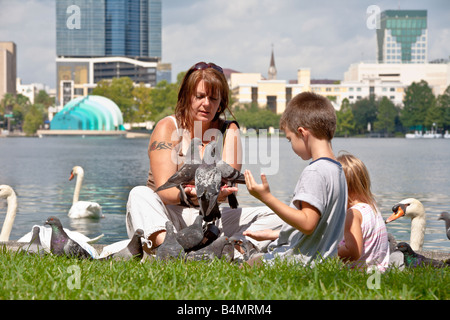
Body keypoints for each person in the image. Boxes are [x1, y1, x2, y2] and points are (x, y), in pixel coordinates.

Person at [126, 61, 283, 254]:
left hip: (210, 217)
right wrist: (196, 194)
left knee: (280, 214)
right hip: (170, 214)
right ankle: (168, 247)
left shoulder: (228, 130)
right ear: (186, 97)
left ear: (221, 103)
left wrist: (216, 193)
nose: (206, 103)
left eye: (213, 98)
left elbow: (227, 185)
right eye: (200, 96)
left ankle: (235, 246)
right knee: (139, 194)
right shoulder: (168, 127)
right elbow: (165, 192)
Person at [243, 92, 348, 266]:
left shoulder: (315, 171)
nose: (291, 145)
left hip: (299, 262)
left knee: (249, 265)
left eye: (289, 139)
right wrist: (275, 233)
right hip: (324, 262)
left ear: (302, 133)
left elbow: (308, 223)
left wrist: (266, 198)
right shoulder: (338, 170)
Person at [336, 152, 390, 272]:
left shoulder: (353, 214)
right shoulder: (372, 207)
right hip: (377, 274)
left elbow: (353, 252)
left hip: (361, 275)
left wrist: (330, 251)